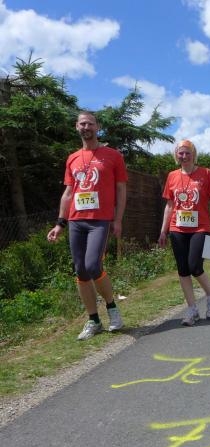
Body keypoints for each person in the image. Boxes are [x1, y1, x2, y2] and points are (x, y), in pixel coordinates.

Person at [47, 111, 127, 340]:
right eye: (82, 123)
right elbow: (68, 193)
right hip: (76, 220)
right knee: (80, 270)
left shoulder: (113, 156)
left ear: (97, 127)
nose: (86, 127)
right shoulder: (72, 158)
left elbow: (121, 190)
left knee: (93, 265)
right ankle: (93, 320)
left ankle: (112, 308)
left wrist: (118, 219)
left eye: (90, 123)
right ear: (76, 127)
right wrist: (60, 224)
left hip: (99, 220)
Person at [158, 140, 210, 326]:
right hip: (177, 228)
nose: (184, 156)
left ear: (194, 154)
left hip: (200, 228)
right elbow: (169, 205)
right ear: (176, 155)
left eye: (187, 153)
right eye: (181, 153)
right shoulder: (172, 176)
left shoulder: (206, 173)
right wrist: (163, 231)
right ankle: (192, 309)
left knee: (195, 266)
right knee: (183, 269)